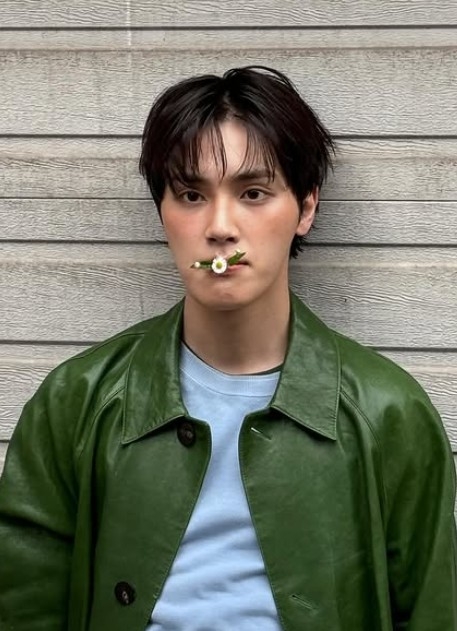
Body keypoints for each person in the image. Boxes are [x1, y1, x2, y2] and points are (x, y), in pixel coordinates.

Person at [0, 66, 455, 631]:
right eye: (191, 195)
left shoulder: (390, 413)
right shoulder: (76, 400)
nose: (220, 227)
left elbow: (433, 610)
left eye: (253, 193)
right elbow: (24, 606)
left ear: (306, 208)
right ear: (163, 212)